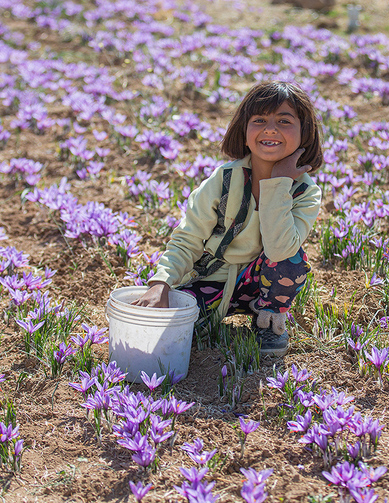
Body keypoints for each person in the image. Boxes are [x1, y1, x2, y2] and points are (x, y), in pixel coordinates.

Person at [133, 81, 323, 356]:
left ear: (304, 134)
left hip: (262, 284)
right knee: (174, 330)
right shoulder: (223, 180)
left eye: (284, 121)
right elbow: (188, 239)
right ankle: (204, 309)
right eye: (259, 120)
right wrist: (161, 283)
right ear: (244, 133)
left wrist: (279, 184)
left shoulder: (305, 192)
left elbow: (280, 250)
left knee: (291, 260)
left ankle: (268, 321)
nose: (271, 129)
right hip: (209, 278)